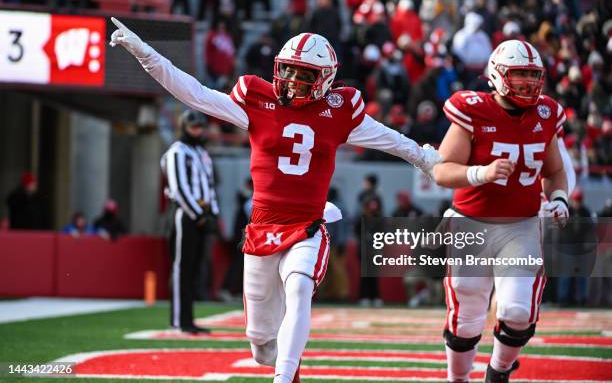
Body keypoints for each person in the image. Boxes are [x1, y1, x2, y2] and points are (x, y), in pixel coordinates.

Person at [110, 19, 441, 383]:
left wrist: (423, 158)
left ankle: (283, 380)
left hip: (308, 225)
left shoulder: (340, 110)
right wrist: (146, 54)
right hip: (262, 229)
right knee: (261, 345)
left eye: (304, 74)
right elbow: (195, 93)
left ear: (326, 78)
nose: (293, 80)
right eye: (288, 70)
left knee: (299, 288)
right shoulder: (257, 100)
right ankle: (283, 367)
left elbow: (388, 138)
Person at [432, 40, 570, 382]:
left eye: (532, 75)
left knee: (518, 310)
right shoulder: (473, 110)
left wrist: (561, 198)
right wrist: (482, 173)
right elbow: (441, 170)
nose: (527, 83)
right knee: (466, 318)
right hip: (471, 223)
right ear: (496, 75)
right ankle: (458, 378)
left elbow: (554, 171)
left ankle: (499, 371)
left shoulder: (546, 113)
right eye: (519, 74)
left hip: (521, 225)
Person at [160, 109, 220, 334]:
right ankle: (179, 321)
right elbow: (178, 189)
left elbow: (210, 186)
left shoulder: (202, 153)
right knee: (181, 268)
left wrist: (212, 214)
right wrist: (199, 215)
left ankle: (188, 320)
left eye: (200, 127)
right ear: (183, 127)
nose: (197, 131)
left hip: (201, 215)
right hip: (184, 214)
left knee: (194, 269)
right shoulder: (177, 151)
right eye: (193, 127)